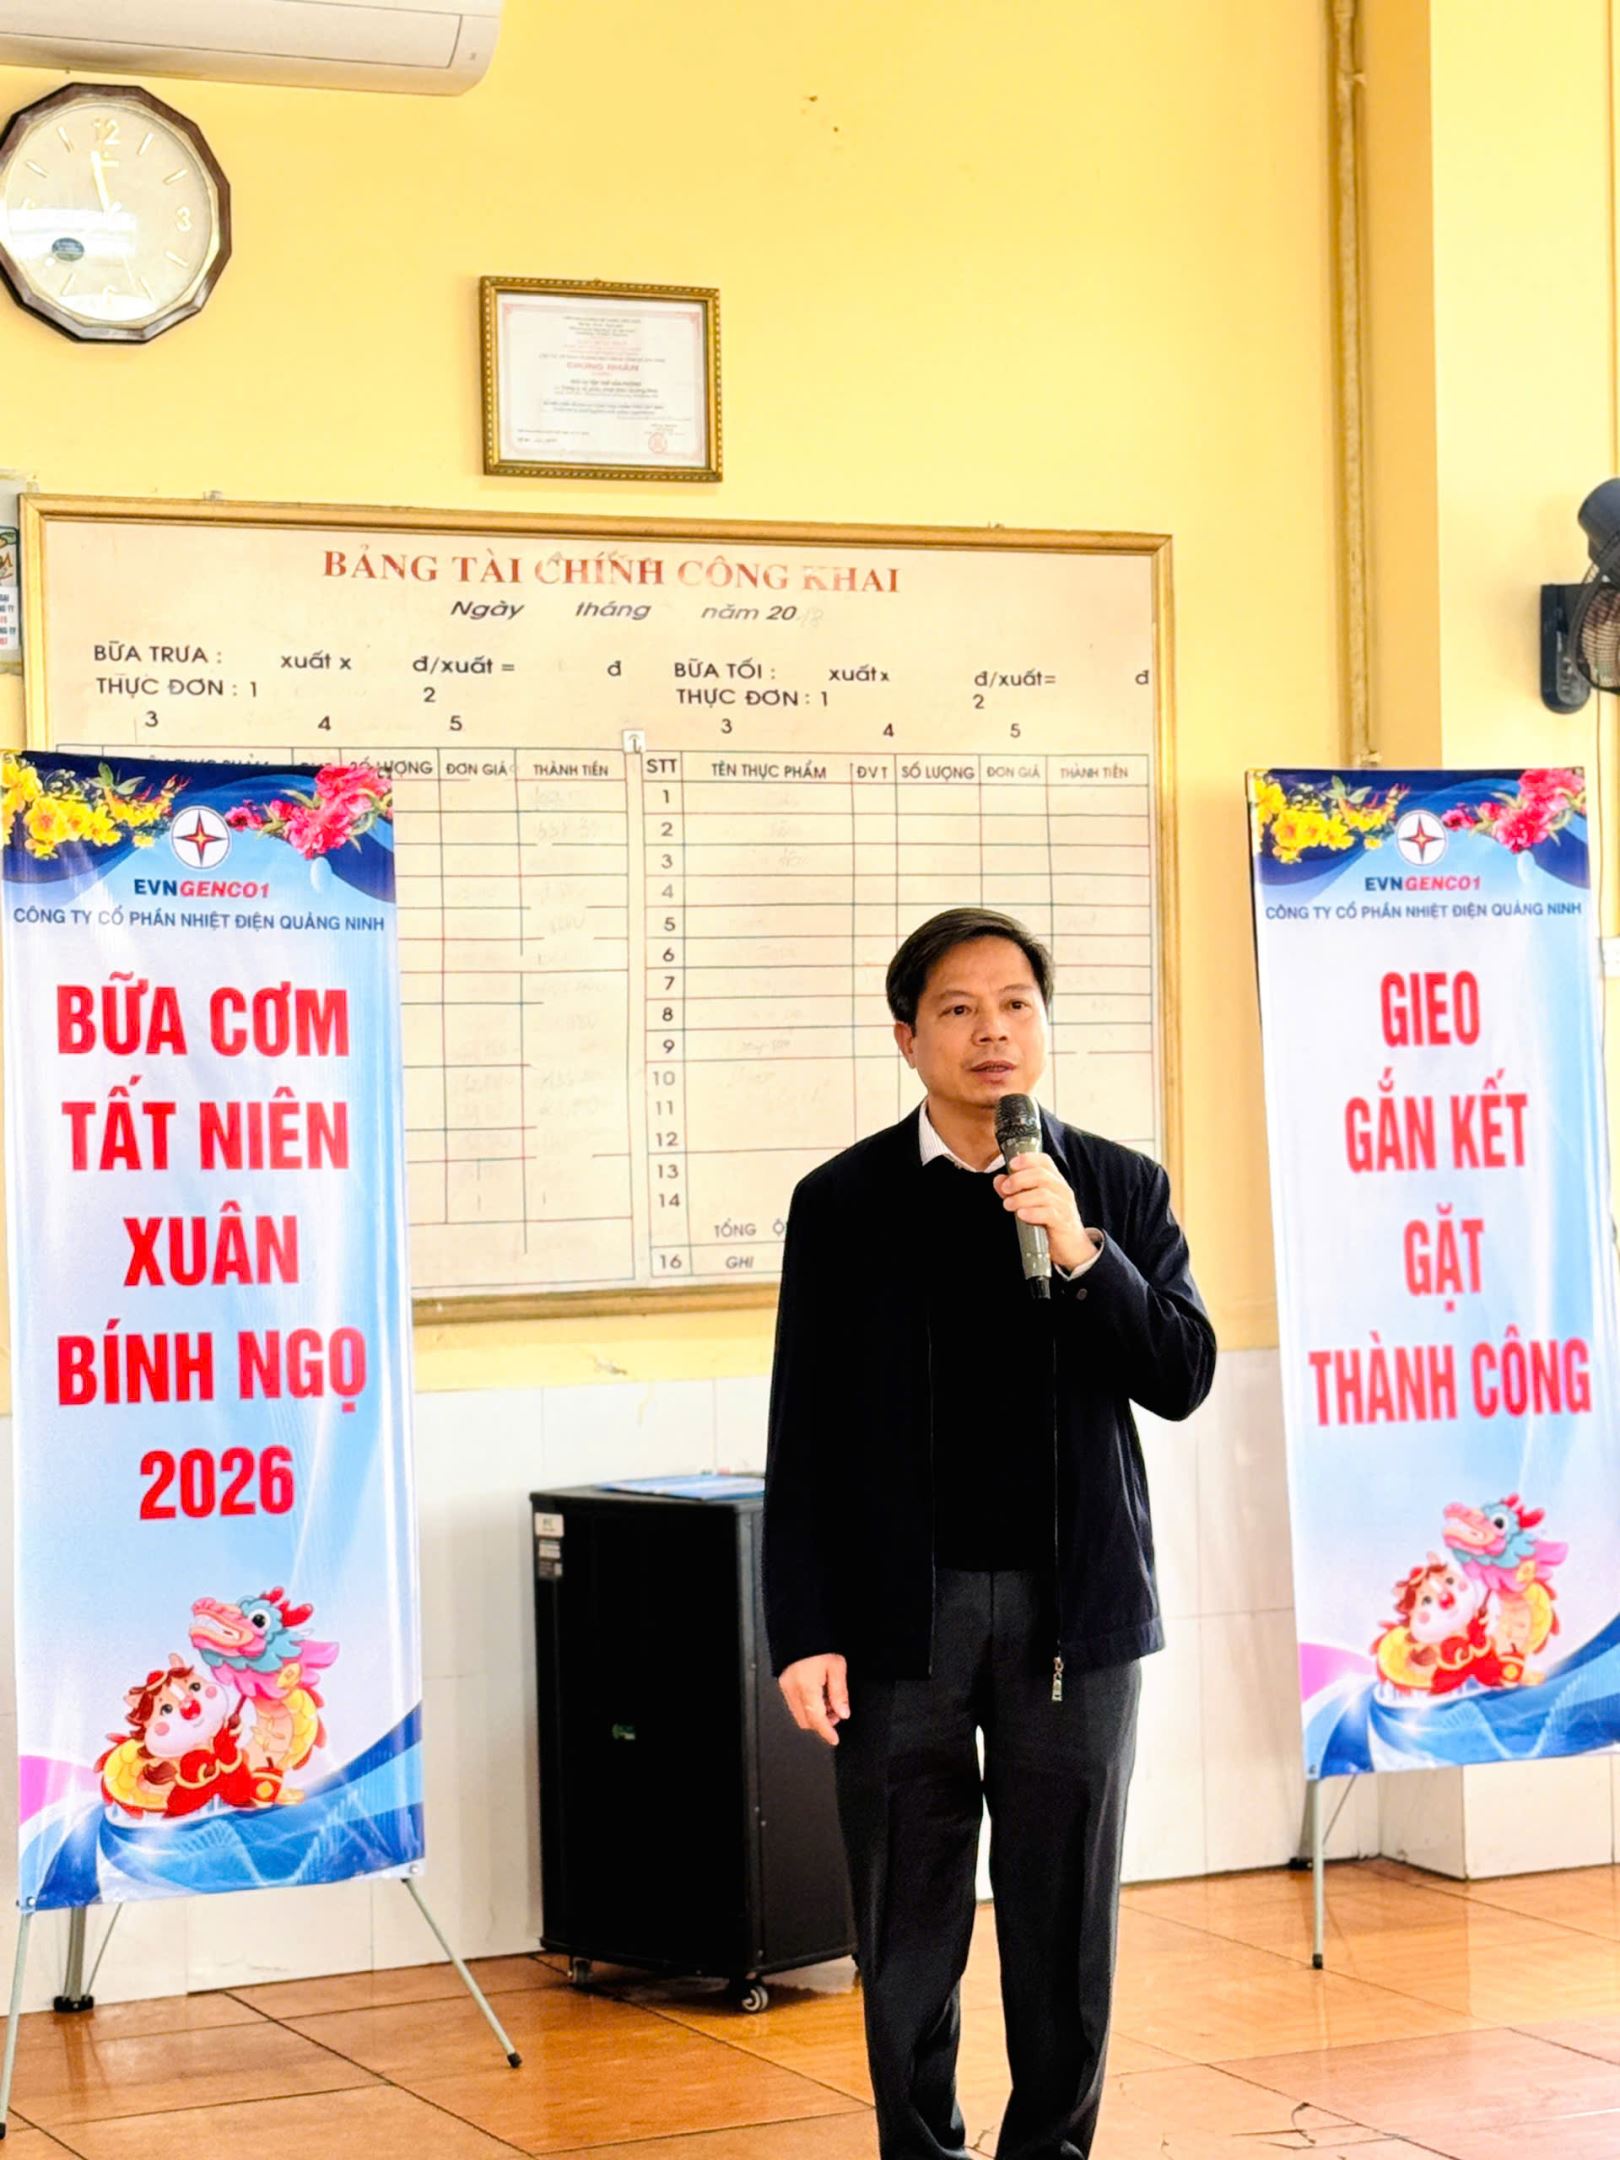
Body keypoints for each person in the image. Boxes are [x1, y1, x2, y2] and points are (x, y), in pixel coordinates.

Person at [763, 906, 1215, 2160]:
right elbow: (803, 1430)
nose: (992, 1031)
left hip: (1077, 1615)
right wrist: (801, 1628)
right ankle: (923, 2149)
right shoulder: (843, 1202)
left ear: (1045, 1023)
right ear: (907, 1037)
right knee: (907, 1915)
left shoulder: (1117, 1185)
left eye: (1016, 1003)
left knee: (1064, 1920)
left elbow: (1182, 1373)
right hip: (899, 1617)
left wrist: (1080, 1247)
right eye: (958, 1009)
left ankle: (1050, 2152)